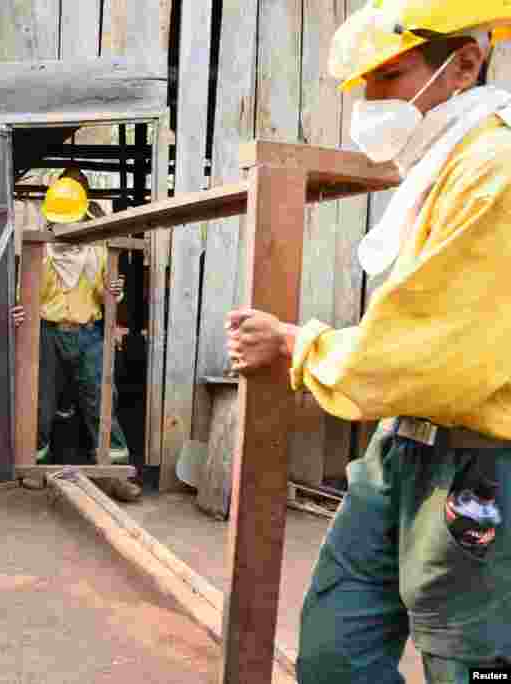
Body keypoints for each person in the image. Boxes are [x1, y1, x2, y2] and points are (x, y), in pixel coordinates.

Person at [226, 3, 511, 680]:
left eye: (389, 77)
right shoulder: (444, 163)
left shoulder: (495, 171)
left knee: (470, 663)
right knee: (334, 652)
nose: (372, 102)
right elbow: (418, 325)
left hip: (481, 463)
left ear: (464, 63)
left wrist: (300, 345)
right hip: (404, 444)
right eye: (365, 85)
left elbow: (431, 355)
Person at [12, 168, 142, 502]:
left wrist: (115, 291)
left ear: (83, 215)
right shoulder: (38, 251)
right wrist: (17, 311)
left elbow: (105, 296)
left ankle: (115, 474)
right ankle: (34, 468)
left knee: (102, 401)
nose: (64, 228)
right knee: (40, 402)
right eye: (58, 222)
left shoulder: (98, 250)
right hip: (48, 334)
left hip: (88, 334)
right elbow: (25, 299)